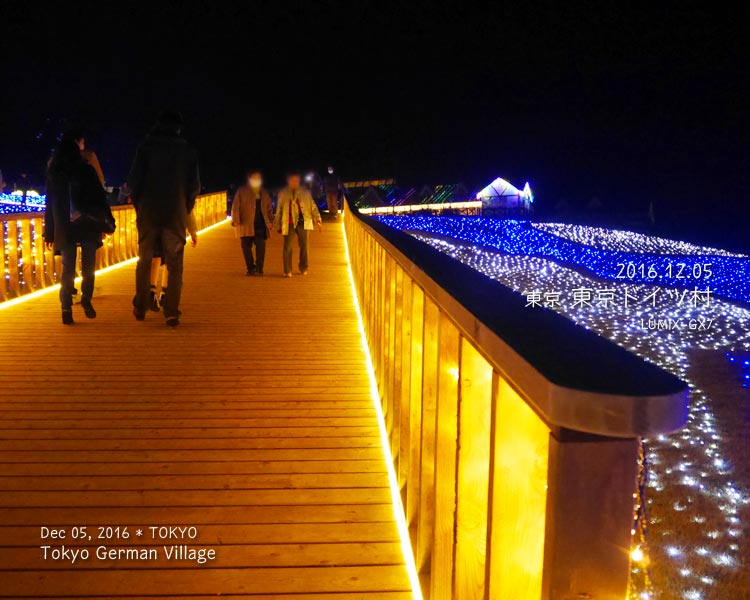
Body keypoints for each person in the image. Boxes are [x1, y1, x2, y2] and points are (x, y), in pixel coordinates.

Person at [128, 109, 200, 326]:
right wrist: (184, 207)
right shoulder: (187, 150)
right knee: (175, 264)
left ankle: (141, 306)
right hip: (175, 214)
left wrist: (141, 206)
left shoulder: (145, 147)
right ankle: (170, 311)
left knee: (145, 260)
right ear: (179, 128)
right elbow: (194, 186)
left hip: (149, 213)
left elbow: (134, 181)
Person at [44, 132, 114, 325]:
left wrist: (49, 233)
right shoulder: (86, 169)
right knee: (88, 267)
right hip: (88, 225)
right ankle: (86, 298)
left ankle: (66, 307)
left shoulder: (54, 173)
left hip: (65, 227)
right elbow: (100, 198)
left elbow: (50, 205)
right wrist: (107, 222)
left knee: (68, 269)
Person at [274, 171, 322, 277]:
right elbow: (279, 210)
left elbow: (312, 206)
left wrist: (317, 218)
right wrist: (278, 225)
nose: (294, 182)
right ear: (288, 181)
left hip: (303, 221)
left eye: (296, 180)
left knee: (304, 246)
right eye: (292, 180)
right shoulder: (283, 193)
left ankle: (303, 267)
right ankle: (287, 270)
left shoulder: (305, 193)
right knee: (287, 247)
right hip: (289, 222)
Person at [231, 169, 274, 275]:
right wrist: (235, 220)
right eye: (254, 178)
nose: (256, 180)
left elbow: (269, 208)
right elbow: (235, 206)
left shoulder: (263, 192)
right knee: (246, 247)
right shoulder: (242, 191)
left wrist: (271, 220)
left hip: (261, 225)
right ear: (249, 179)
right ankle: (250, 268)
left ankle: (259, 268)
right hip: (246, 224)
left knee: (261, 247)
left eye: (258, 178)